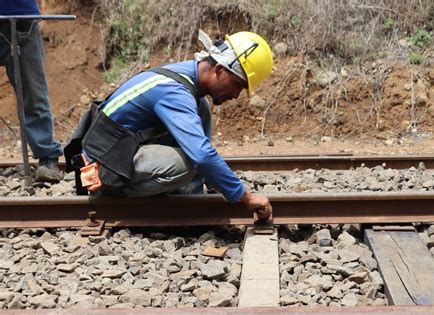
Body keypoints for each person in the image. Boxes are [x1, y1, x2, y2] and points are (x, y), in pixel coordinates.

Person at [65, 29, 273, 219]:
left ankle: (190, 194)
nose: (236, 95)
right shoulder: (174, 93)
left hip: (119, 150)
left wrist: (215, 179)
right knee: (188, 164)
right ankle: (122, 198)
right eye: (237, 85)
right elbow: (201, 155)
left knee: (201, 109)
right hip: (104, 169)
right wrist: (245, 197)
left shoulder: (185, 78)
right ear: (219, 69)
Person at [0, 0, 62, 182]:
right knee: (34, 91)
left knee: (33, 91)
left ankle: (47, 159)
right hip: (20, 13)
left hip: (21, 16)